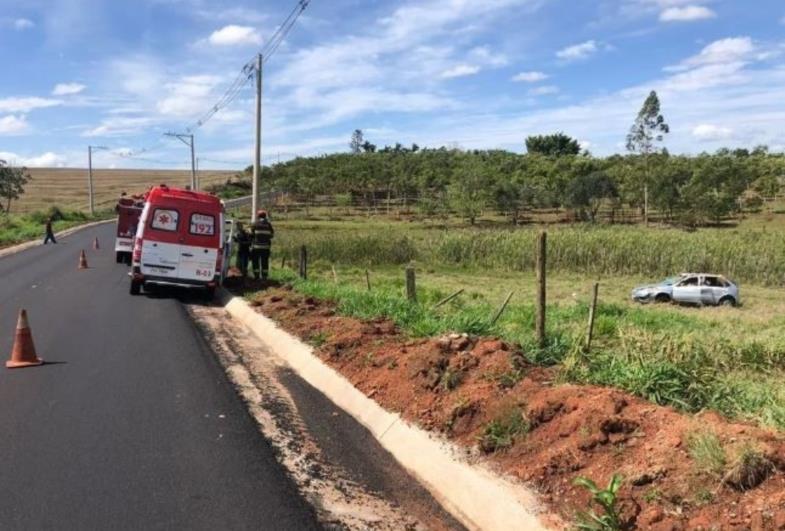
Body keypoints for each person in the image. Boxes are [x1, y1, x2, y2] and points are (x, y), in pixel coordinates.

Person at [250, 210, 274, 281]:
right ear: (265, 216)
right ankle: (264, 277)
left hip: (256, 247)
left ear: (258, 216)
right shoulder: (268, 225)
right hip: (266, 247)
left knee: (255, 262)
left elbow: (251, 235)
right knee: (265, 262)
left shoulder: (255, 224)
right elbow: (272, 235)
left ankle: (256, 276)